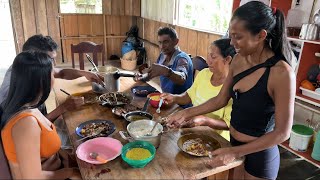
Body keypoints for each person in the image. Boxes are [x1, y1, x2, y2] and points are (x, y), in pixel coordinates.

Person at [167, 2, 295, 180]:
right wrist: (186, 113)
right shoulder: (238, 60)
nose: (232, 42)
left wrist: (236, 152)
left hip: (259, 154)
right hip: (232, 143)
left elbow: (282, 132)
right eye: (230, 35)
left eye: (238, 37)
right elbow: (220, 99)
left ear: (261, 35)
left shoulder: (281, 73)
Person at [0, 51, 81, 179]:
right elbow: (32, 177)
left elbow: (45, 143)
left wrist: (70, 158)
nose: (55, 76)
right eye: (53, 74)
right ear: (43, 82)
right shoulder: (26, 123)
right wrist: (71, 172)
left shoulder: (29, 107)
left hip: (59, 168)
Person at [0, 34, 104, 121]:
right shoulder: (13, 93)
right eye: (50, 59)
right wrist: (62, 108)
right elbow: (35, 126)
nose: (54, 65)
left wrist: (84, 73)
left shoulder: (28, 69)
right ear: (34, 59)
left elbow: (62, 73)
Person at [160, 38, 235, 141]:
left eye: (213, 57)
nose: (208, 60)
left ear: (227, 60)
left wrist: (204, 120)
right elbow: (189, 96)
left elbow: (228, 124)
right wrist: (174, 98)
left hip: (215, 139)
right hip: (194, 132)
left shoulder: (232, 87)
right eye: (208, 55)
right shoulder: (204, 73)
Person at [137, 27, 193, 102]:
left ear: (176, 41)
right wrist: (142, 77)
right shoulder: (162, 56)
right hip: (166, 99)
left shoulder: (182, 59)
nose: (162, 46)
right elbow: (153, 73)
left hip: (181, 105)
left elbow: (182, 78)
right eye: (160, 42)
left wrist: (166, 71)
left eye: (166, 42)